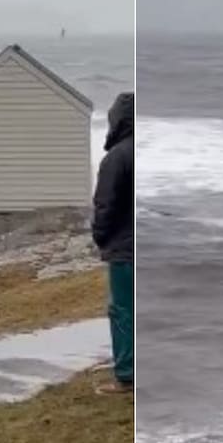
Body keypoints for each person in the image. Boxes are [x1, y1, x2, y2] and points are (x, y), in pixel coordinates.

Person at [92, 91, 134, 394]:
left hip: (125, 249)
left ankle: (128, 375)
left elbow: (104, 205)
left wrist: (100, 237)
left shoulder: (116, 158)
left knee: (122, 312)